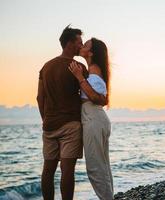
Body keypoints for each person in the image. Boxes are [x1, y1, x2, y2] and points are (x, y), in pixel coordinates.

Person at [37, 25, 107, 200]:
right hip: (71, 126)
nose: (81, 46)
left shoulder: (45, 67)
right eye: (79, 42)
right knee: (67, 171)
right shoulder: (77, 67)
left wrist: (46, 120)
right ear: (69, 43)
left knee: (48, 170)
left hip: (49, 126)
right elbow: (92, 95)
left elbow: (39, 98)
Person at [68, 38, 114, 199]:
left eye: (85, 45)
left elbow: (97, 97)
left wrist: (79, 77)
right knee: (103, 166)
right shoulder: (94, 70)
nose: (81, 46)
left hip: (94, 120)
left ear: (91, 53)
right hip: (97, 119)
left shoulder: (93, 72)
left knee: (95, 168)